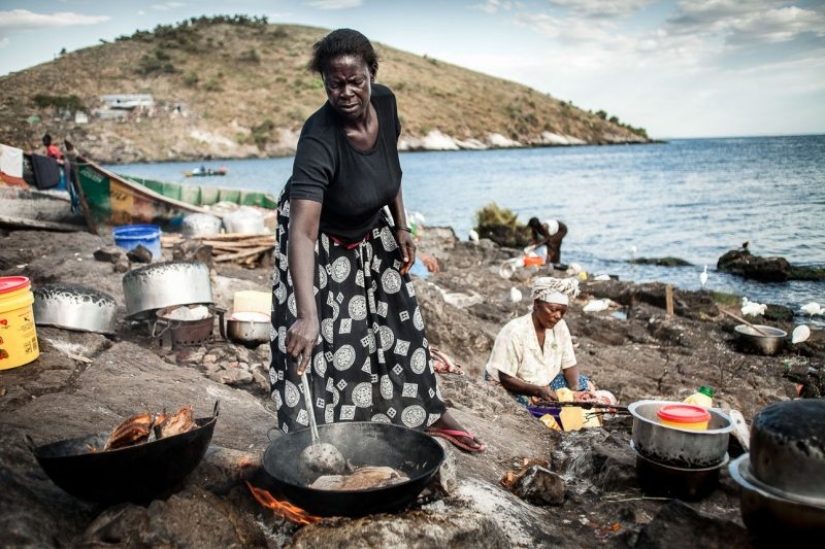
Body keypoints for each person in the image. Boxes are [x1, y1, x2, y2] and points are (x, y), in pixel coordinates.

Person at [268, 29, 485, 453]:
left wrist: (402, 226)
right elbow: (302, 231)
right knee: (321, 331)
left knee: (400, 317)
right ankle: (316, 434)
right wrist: (308, 313)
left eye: (356, 81)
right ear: (324, 82)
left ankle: (427, 411)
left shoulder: (385, 102)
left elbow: (390, 164)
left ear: (372, 74)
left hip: (370, 221)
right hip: (318, 239)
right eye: (335, 83)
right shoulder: (318, 139)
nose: (346, 92)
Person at [485, 277, 608, 406]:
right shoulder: (514, 331)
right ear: (537, 304)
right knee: (533, 404)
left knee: (584, 384)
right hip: (510, 385)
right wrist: (538, 391)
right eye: (553, 309)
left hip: (543, 384)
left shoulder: (560, 326)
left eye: (562, 312)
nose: (558, 316)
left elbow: (569, 365)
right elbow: (506, 379)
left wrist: (575, 392)